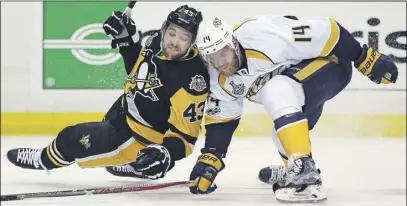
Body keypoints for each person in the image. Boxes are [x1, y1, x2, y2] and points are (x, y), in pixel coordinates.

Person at [187, 15, 398, 203]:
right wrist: (211, 157)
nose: (221, 62)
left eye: (223, 52)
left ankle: (303, 170)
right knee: (280, 135)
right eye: (213, 57)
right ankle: (298, 168)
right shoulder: (217, 77)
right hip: (297, 87)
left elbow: (329, 30)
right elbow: (223, 118)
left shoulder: (262, 35)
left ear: (233, 42)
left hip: (331, 65)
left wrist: (362, 56)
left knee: (276, 88)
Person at [6, 5, 209, 181]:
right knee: (102, 130)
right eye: (172, 33)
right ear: (165, 28)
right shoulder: (156, 39)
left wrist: (164, 152)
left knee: (72, 138)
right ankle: (138, 167)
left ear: (193, 42)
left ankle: (44, 160)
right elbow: (136, 69)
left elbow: (185, 137)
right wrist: (124, 39)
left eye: (184, 38)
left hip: (138, 137)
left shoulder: (192, 81)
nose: (174, 42)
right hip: (125, 109)